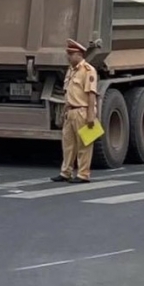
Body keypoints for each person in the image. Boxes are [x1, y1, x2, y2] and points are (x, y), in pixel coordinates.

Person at [51, 39, 99, 184]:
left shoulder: (88, 71)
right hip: (70, 111)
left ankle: (83, 174)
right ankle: (66, 172)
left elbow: (91, 94)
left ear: (79, 55)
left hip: (82, 111)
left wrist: (91, 115)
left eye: (71, 54)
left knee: (84, 145)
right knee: (68, 144)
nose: (68, 57)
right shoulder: (71, 70)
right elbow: (68, 93)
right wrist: (64, 112)